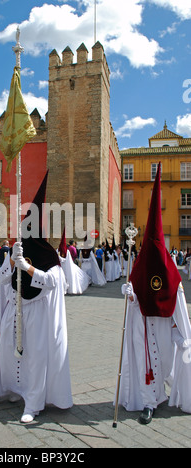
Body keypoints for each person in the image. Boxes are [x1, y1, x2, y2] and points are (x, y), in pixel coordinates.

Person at [0, 172, 73, 423]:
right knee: (11, 349)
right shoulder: (17, 250)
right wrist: (10, 261)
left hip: (38, 310)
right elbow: (2, 281)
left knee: (36, 357)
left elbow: (53, 281)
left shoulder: (49, 255)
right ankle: (18, 389)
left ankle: (34, 403)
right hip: (17, 307)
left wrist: (26, 267)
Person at [116, 163, 191, 425]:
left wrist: (182, 336)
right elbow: (136, 296)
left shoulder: (172, 274)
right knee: (145, 363)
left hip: (163, 327)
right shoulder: (139, 266)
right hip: (143, 327)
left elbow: (178, 303)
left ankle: (163, 394)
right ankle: (148, 402)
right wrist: (131, 294)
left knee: (165, 363)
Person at [58, 229, 90, 295]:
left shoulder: (59, 250)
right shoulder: (71, 249)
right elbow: (75, 255)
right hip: (69, 264)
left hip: (62, 266)